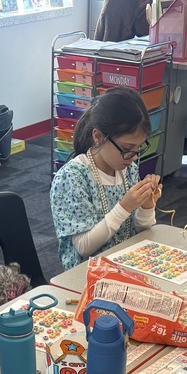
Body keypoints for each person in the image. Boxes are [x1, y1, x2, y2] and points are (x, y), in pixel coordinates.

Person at [50, 87, 160, 270]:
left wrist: (146, 207)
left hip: (125, 265)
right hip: (86, 274)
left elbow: (140, 233)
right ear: (98, 136)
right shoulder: (73, 177)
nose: (134, 156)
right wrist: (124, 207)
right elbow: (83, 247)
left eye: (139, 147)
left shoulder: (127, 168)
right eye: (127, 148)